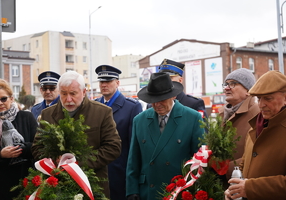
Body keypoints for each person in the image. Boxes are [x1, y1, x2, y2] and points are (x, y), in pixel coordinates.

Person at [31, 70, 121, 198]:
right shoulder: (47, 114)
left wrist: (76, 164)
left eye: (73, 93)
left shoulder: (102, 112)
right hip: (56, 187)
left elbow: (113, 147)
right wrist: (55, 162)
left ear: (84, 92)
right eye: (63, 94)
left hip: (92, 185)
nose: (68, 99)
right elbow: (37, 147)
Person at [126, 72, 204, 200]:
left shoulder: (192, 118)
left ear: (173, 96)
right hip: (148, 192)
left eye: (161, 99)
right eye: (153, 100)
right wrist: (132, 191)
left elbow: (199, 161)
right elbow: (133, 160)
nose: (157, 105)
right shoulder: (139, 120)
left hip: (178, 192)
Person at [225, 70, 286, 200]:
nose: (261, 104)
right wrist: (234, 190)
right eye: (259, 98)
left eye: (268, 98)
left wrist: (249, 188)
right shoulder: (256, 125)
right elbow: (245, 164)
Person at [95, 65, 142, 200]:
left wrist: (132, 179)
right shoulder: (95, 105)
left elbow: (135, 145)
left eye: (108, 81)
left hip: (120, 173)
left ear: (117, 83)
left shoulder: (132, 106)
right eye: (101, 81)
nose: (104, 85)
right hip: (97, 171)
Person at [0, 79, 38, 200]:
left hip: (24, 178)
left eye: (3, 98)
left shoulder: (26, 117)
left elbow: (38, 144)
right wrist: (0, 153)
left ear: (11, 98)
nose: (0, 103)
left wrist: (23, 148)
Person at [218, 68, 259, 182]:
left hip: (242, 185)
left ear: (248, 90)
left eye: (232, 84)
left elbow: (257, 155)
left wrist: (225, 170)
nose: (226, 88)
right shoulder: (222, 114)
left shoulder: (258, 114)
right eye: (226, 84)